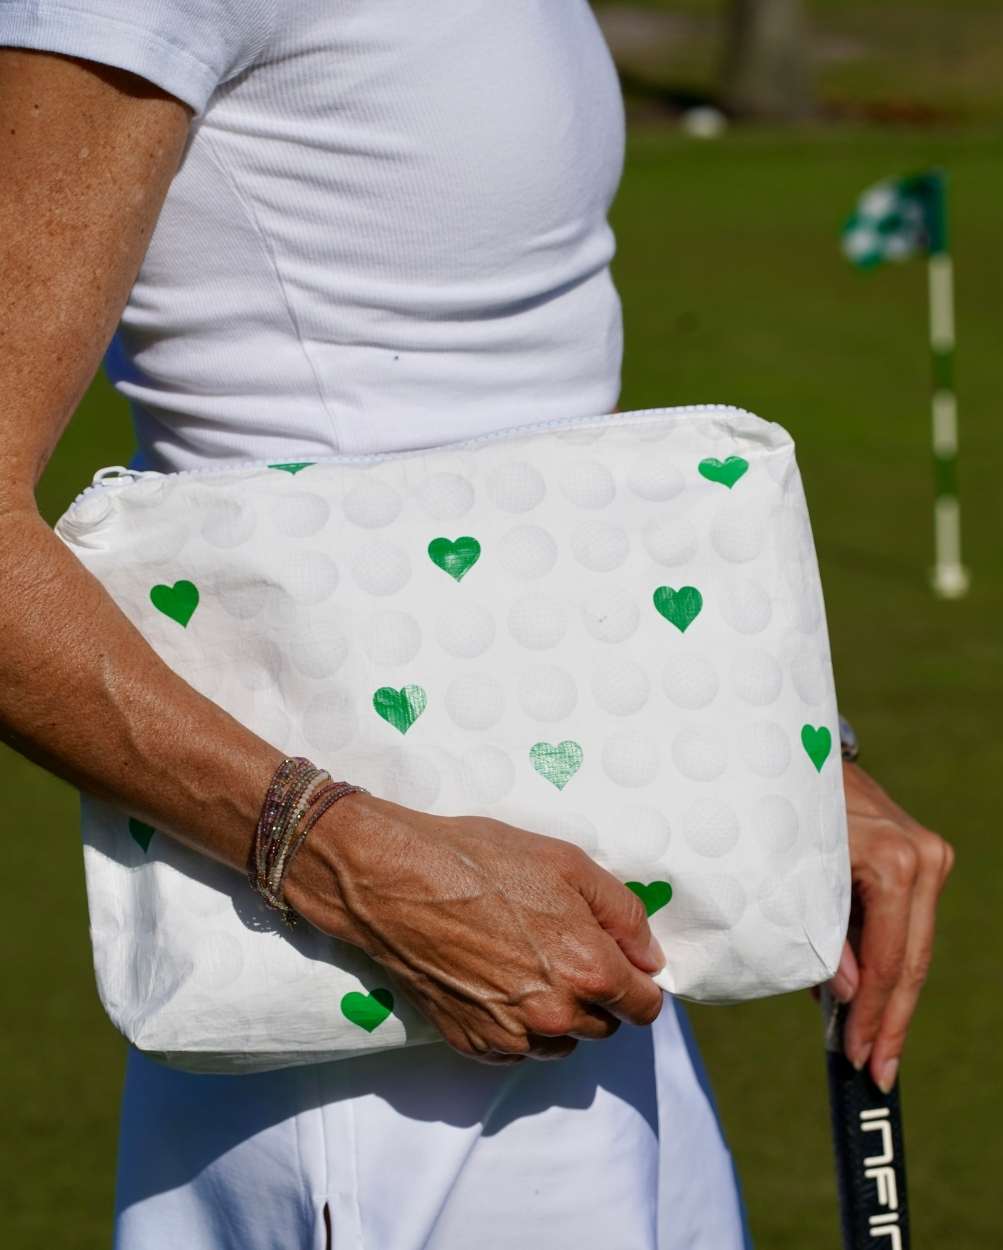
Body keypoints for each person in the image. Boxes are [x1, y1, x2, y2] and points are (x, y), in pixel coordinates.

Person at [0, 3, 954, 1246]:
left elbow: (509, 410)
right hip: (365, 1023)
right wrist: (345, 857)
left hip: (592, 964)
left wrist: (787, 743)